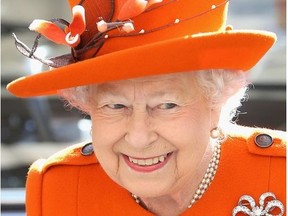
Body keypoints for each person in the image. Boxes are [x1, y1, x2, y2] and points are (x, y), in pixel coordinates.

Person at [7, 0, 285, 215]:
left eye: (166, 104)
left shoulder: (280, 175)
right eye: (115, 105)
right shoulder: (59, 189)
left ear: (216, 102)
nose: (139, 137)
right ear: (88, 106)